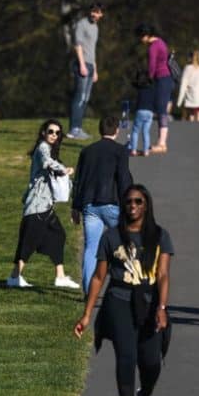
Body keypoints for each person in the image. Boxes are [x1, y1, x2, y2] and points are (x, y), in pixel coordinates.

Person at [74, 184, 173, 396]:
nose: (133, 206)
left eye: (138, 202)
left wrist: (162, 308)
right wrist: (87, 315)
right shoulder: (111, 237)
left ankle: (146, 395)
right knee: (126, 359)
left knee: (151, 361)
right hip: (118, 301)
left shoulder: (160, 236)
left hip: (149, 302)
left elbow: (162, 275)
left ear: (146, 205)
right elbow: (98, 277)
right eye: (128, 202)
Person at [7, 119, 79, 289]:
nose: (54, 135)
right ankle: (14, 277)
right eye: (51, 131)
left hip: (45, 206)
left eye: (57, 133)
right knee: (29, 242)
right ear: (43, 133)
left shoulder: (50, 150)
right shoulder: (43, 148)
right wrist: (64, 169)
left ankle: (60, 276)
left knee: (58, 235)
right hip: (38, 206)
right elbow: (47, 163)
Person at [71, 115, 134, 293]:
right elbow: (123, 179)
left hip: (90, 206)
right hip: (113, 204)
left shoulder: (87, 151)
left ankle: (88, 290)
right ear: (117, 131)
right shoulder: (120, 151)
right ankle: (128, 284)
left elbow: (79, 180)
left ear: (100, 130)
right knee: (126, 244)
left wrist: (75, 206)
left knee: (91, 248)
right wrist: (129, 204)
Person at [67, 2, 104, 140]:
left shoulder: (95, 27)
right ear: (89, 11)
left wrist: (94, 69)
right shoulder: (81, 24)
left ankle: (79, 128)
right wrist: (82, 64)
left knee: (86, 99)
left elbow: (92, 49)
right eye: (93, 11)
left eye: (98, 12)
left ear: (101, 14)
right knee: (80, 97)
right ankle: (73, 129)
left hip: (90, 65)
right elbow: (78, 46)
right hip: (81, 64)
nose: (95, 14)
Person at [134, 24, 173, 154]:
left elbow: (152, 65)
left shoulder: (153, 47)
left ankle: (162, 143)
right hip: (166, 78)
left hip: (161, 78)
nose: (140, 40)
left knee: (161, 110)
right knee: (161, 110)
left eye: (140, 36)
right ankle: (161, 142)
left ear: (145, 35)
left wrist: (148, 79)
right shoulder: (161, 42)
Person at [127, 69, 154, 156]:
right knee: (146, 131)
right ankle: (146, 151)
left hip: (140, 111)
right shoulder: (151, 89)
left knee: (135, 131)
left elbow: (133, 83)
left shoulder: (139, 89)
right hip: (150, 112)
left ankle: (134, 150)